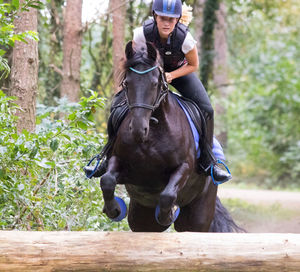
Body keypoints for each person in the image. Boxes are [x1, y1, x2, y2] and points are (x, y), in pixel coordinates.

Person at [85, 0, 231, 183]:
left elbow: (194, 65)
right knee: (117, 104)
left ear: (178, 20)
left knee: (207, 109)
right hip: (148, 75)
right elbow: (136, 61)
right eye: (163, 18)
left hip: (178, 73)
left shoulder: (185, 39)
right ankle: (106, 155)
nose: (166, 23)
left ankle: (208, 160)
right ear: (155, 16)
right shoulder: (141, 34)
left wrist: (171, 76)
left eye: (171, 19)